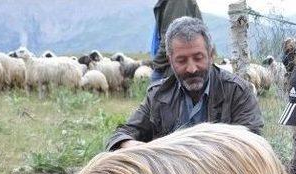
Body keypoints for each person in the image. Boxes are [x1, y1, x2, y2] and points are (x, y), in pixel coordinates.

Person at [105, 16, 263, 151]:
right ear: (170, 61)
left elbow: (252, 145)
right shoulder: (158, 95)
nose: (192, 69)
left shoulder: (237, 91)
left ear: (211, 54)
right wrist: (139, 148)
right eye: (181, 60)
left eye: (198, 57)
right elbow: (121, 135)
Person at [150, 0, 202, 82]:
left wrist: (156, 64)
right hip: (170, 65)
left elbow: (172, 37)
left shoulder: (176, 2)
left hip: (169, 68)